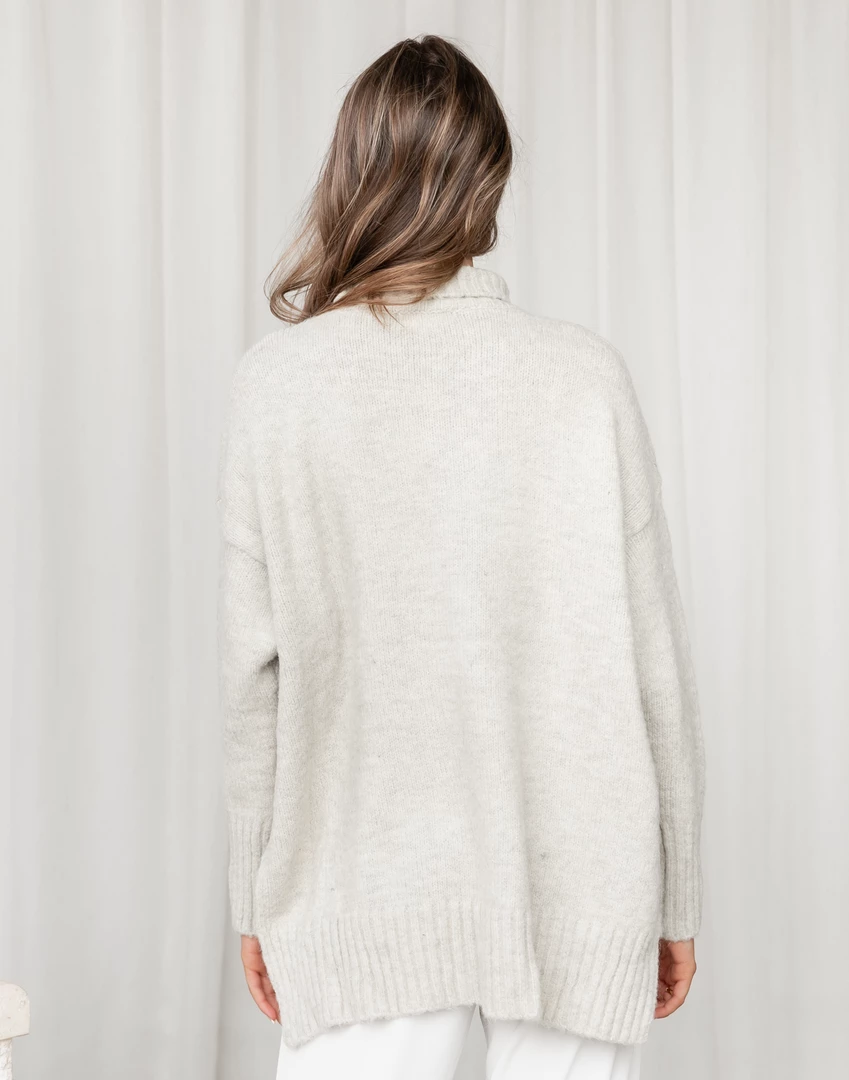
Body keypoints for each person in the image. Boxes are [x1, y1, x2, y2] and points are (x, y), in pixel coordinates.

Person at [217, 34, 705, 1080]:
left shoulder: (278, 386)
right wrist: (676, 897)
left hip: (357, 895)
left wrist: (253, 896)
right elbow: (654, 666)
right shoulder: (584, 377)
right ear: (490, 182)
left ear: (350, 175)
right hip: (580, 889)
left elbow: (253, 682)